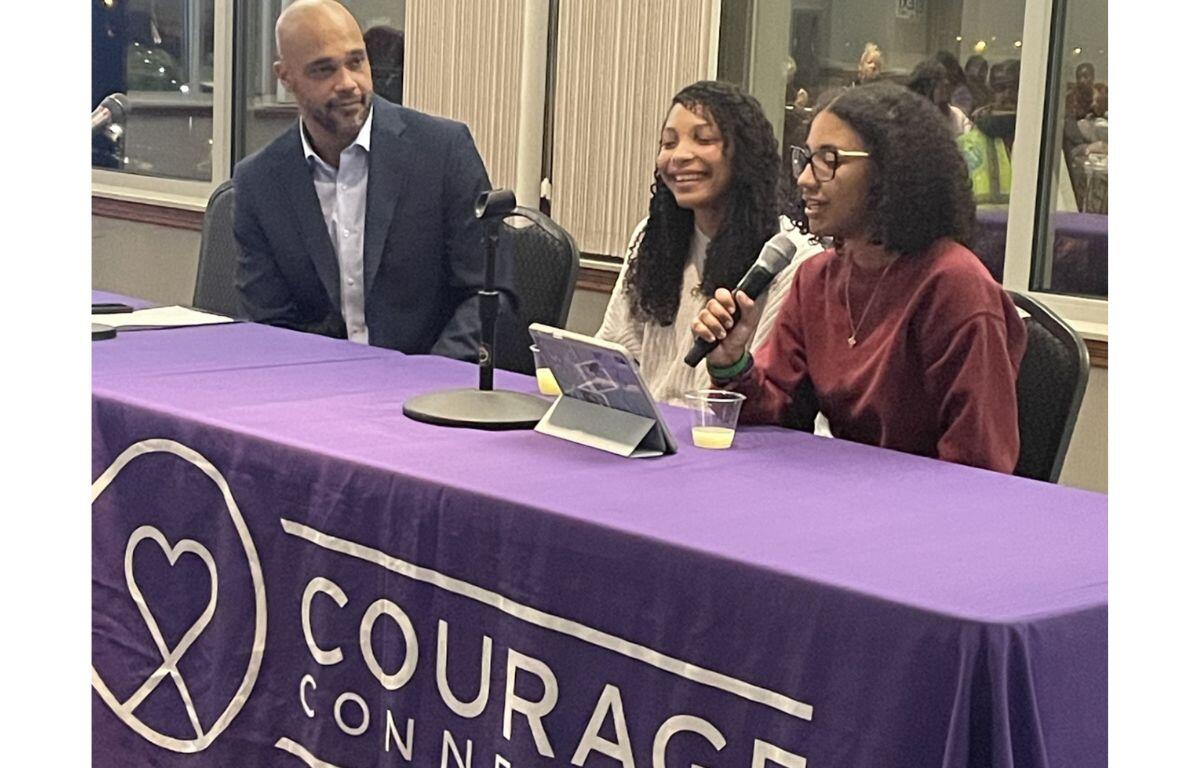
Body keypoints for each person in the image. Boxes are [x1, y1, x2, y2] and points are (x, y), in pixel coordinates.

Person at [692, 83, 1027, 473]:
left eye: (828, 160)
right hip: (845, 491)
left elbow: (979, 465)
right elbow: (778, 416)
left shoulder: (955, 285)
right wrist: (732, 363)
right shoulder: (816, 278)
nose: (804, 179)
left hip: (924, 504)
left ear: (890, 171)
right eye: (806, 159)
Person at [234, 0, 513, 361]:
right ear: (286, 77)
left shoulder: (442, 152)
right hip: (315, 382)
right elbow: (270, 323)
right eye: (324, 70)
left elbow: (489, 295)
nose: (347, 83)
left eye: (356, 62)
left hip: (431, 380)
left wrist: (428, 377)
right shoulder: (261, 182)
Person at [597, 80, 822, 406]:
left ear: (744, 154)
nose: (679, 156)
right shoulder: (651, 236)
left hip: (728, 429)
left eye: (703, 139)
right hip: (651, 425)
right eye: (668, 143)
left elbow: (772, 396)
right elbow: (616, 351)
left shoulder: (790, 257)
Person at [957, 59, 1020, 204]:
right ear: (991, 91)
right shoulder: (966, 145)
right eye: (1000, 88)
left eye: (1015, 87)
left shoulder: (1044, 139)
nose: (1008, 94)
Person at [907, 59, 973, 136]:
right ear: (924, 87)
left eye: (945, 77)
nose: (946, 83)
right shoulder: (910, 118)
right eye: (937, 79)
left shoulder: (958, 117)